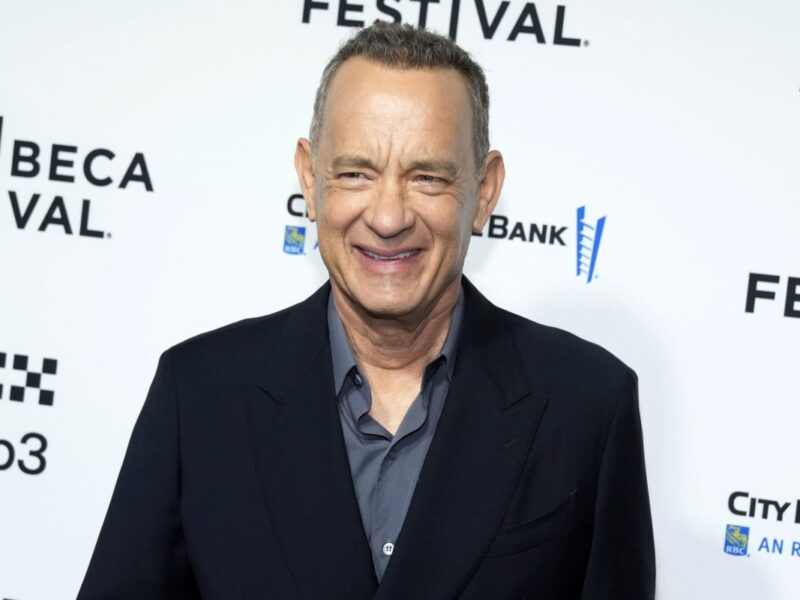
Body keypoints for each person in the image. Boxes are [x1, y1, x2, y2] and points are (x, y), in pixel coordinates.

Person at [77, 21, 655, 600]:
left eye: (427, 177)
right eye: (356, 173)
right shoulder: (200, 395)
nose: (387, 217)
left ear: (484, 192)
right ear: (309, 179)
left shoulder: (587, 405)